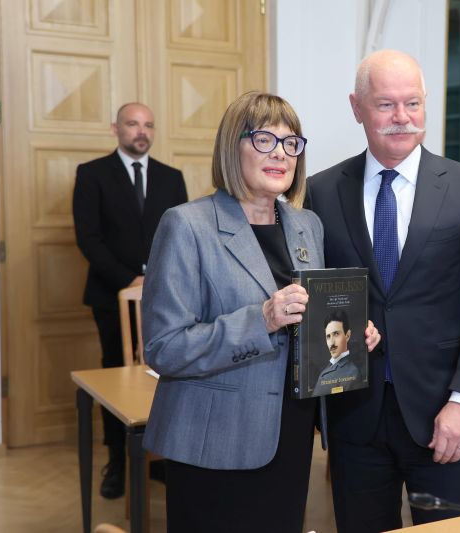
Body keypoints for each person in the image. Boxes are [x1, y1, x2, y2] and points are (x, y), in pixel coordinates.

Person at [140, 91, 380, 533]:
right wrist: (261, 320)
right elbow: (164, 348)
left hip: (291, 433)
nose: (281, 154)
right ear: (232, 147)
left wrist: (350, 336)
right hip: (214, 441)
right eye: (265, 140)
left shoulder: (307, 225)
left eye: (291, 143)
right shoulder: (186, 225)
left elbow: (310, 326)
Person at [306, 49, 460, 532]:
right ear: (357, 108)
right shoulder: (321, 191)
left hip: (443, 414)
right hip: (355, 414)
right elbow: (316, 295)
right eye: (386, 105)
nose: (402, 117)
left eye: (413, 103)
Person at [72, 102, 188, 499]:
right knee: (116, 377)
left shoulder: (171, 177)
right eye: (133, 124)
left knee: (166, 371)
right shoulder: (92, 174)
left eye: (148, 125)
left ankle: (160, 456)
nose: (142, 131)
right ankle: (117, 463)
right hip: (109, 293)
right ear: (115, 128)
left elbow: (182, 237)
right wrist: (130, 279)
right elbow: (88, 238)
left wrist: (157, 280)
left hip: (165, 295)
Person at [312, 310, 364, 396]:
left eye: (336, 334)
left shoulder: (352, 372)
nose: (331, 343)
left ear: (347, 335)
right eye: (328, 336)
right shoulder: (329, 365)